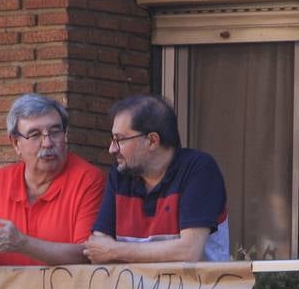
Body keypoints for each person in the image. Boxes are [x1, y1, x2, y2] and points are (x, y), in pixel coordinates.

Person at [0, 93, 104, 267]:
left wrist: (23, 244)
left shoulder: (88, 180)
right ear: (15, 143)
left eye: (55, 132)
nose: (47, 143)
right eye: (34, 135)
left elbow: (88, 254)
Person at [83, 93, 229, 265]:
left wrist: (114, 250)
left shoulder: (199, 170)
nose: (111, 149)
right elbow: (97, 250)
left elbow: (189, 251)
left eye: (119, 140)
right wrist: (107, 251)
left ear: (152, 141)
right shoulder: (120, 175)